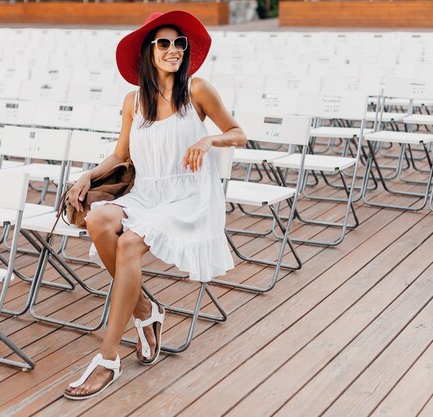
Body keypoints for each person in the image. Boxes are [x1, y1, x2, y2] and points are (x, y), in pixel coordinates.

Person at [63, 11, 247, 400]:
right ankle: (145, 310)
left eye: (179, 43)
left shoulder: (197, 90)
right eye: (164, 43)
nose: (174, 50)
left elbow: (238, 134)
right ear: (149, 52)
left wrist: (208, 141)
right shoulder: (133, 101)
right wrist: (87, 176)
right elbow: (120, 155)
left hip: (191, 196)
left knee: (129, 243)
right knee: (97, 219)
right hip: (149, 193)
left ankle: (108, 358)